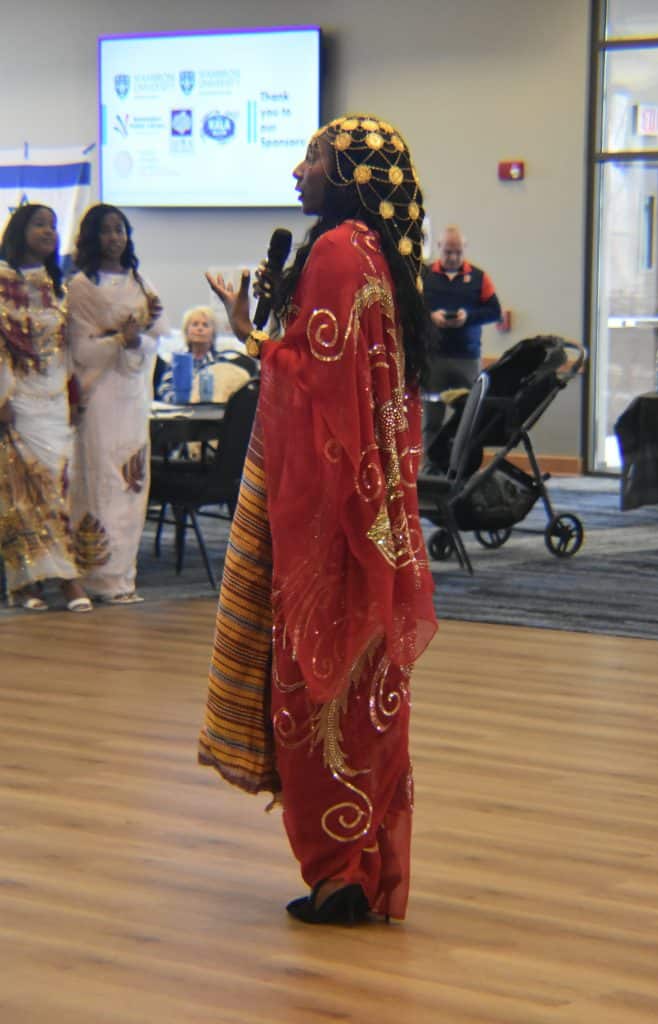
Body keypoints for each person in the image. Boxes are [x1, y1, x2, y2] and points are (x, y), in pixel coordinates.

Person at [198, 115, 438, 925]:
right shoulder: (373, 254)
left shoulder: (336, 251)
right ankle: (359, 867)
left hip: (324, 513)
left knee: (315, 680)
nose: (297, 171)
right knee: (364, 686)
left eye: (311, 157)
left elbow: (319, 383)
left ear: (347, 175)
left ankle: (337, 875)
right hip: (362, 507)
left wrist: (252, 340)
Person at [66, 203, 166, 605]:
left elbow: (158, 335)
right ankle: (95, 576)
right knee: (101, 481)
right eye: (107, 231)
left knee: (132, 481)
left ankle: (123, 577)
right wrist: (119, 339)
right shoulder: (80, 288)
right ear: (93, 237)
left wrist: (136, 338)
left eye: (120, 230)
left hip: (131, 394)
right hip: (99, 395)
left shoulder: (141, 283)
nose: (115, 238)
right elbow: (81, 350)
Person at [0, 204, 92, 612]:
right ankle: (36, 582)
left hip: (54, 398)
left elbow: (66, 348)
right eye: (40, 225)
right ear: (20, 231)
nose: (49, 232)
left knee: (56, 489)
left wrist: (73, 395)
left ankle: (51, 576)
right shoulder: (1, 282)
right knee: (22, 493)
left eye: (53, 226)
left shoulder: (58, 287)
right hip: (17, 399)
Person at [422, 224, 502, 456]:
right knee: (432, 421)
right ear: (439, 248)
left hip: (467, 358)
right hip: (433, 358)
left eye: (458, 252)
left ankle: (462, 467)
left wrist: (468, 318)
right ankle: (431, 469)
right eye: (448, 252)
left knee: (468, 418)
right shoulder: (424, 276)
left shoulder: (479, 278)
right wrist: (430, 317)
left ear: (464, 250)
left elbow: (495, 312)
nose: (453, 257)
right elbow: (409, 311)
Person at [156, 304, 253, 404]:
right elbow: (165, 388)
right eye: (195, 324)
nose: (200, 329)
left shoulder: (221, 361)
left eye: (205, 325)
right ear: (186, 331)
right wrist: (179, 400)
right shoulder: (177, 362)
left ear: (213, 333)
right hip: (181, 414)